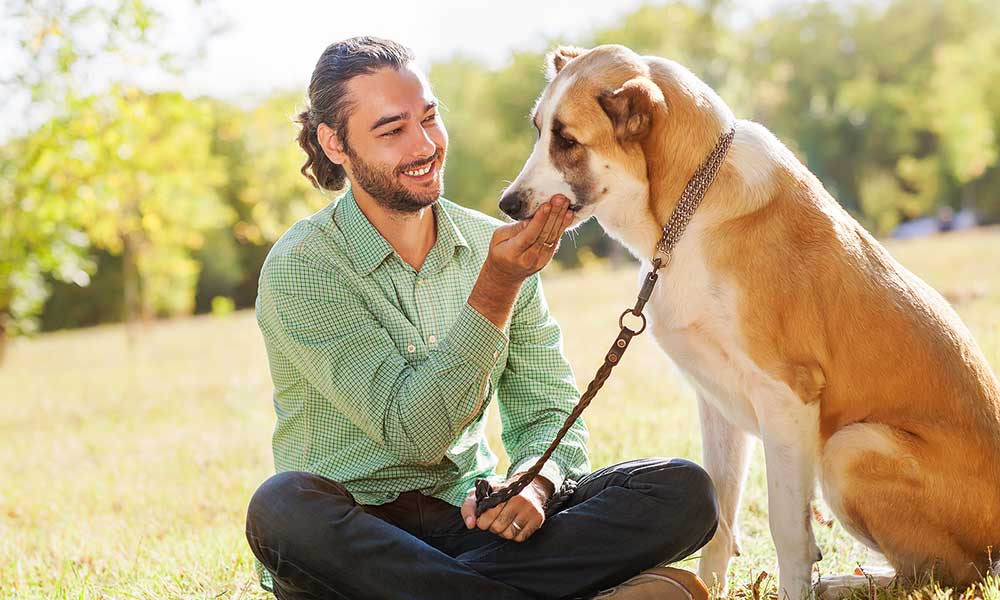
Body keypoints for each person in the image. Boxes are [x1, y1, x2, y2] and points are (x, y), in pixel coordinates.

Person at [245, 36, 719, 600]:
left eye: (429, 118)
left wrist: (535, 482)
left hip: (470, 526)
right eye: (392, 131)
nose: (424, 145)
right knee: (280, 509)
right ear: (335, 144)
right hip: (355, 542)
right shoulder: (304, 267)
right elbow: (410, 435)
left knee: (682, 492)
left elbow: (546, 408)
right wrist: (495, 288)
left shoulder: (486, 242)